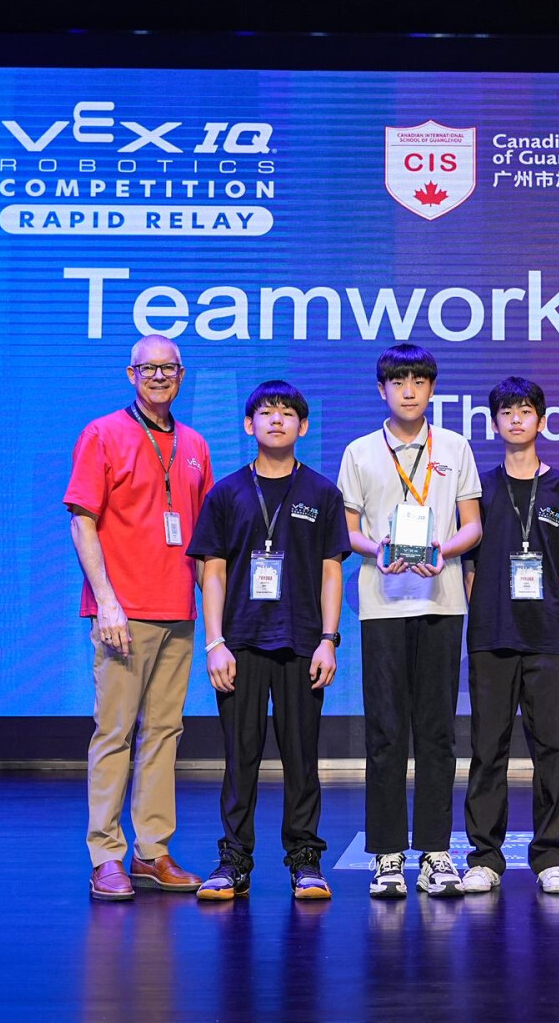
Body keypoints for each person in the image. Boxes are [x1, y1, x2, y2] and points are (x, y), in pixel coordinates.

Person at [185, 381, 350, 901]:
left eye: (286, 413)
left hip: (302, 643)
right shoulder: (226, 493)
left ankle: (305, 862)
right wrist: (214, 643)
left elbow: (330, 571)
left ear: (303, 426)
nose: (276, 420)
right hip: (241, 643)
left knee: (302, 760)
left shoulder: (322, 492)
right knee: (241, 759)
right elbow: (212, 572)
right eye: (265, 412)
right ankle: (233, 862)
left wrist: (328, 639)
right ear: (248, 424)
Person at [65, 335, 215, 901]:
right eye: (147, 368)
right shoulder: (103, 433)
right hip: (122, 615)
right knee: (115, 733)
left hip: (178, 611)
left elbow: (204, 541)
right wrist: (106, 601)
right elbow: (82, 521)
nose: (158, 376)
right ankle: (106, 854)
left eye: (167, 368)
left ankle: (151, 851)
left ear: (181, 375)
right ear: (131, 375)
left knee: (165, 733)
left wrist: (217, 620)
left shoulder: (195, 444)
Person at [336, 343, 482, 898]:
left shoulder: (455, 446)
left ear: (432, 389)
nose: (409, 391)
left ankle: (437, 852)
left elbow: (472, 525)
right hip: (382, 605)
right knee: (385, 732)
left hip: (441, 602)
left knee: (438, 733)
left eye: (419, 381)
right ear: (382, 390)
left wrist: (443, 549)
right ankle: (388, 855)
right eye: (398, 382)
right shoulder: (360, 452)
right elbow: (348, 530)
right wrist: (377, 549)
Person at [460, 377, 559, 895]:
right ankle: (485, 858)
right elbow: (469, 566)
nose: (516, 419)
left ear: (542, 420)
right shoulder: (478, 488)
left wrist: (547, 615)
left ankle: (550, 856)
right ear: (494, 423)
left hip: (546, 640)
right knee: (487, 749)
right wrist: (490, 612)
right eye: (507, 412)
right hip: (491, 636)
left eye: (525, 410)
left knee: (549, 748)